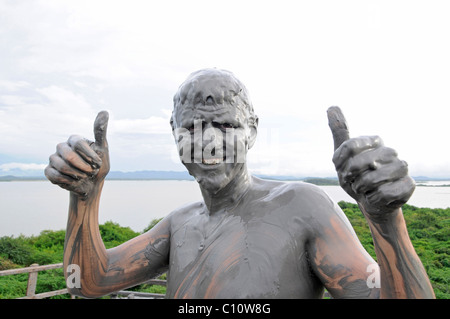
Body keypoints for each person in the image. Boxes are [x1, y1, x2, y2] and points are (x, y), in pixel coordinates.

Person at [45, 68, 435, 298]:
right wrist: (85, 198)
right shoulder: (179, 224)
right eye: (192, 127)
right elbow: (87, 281)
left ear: (252, 131)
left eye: (226, 125)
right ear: (174, 134)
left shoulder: (301, 206)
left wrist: (387, 223)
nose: (209, 140)